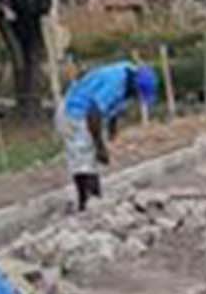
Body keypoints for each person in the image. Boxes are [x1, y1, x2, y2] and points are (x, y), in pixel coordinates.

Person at [57, 59, 160, 211]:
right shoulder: (115, 84)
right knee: (84, 161)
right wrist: (100, 147)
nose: (135, 98)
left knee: (89, 160)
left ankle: (92, 201)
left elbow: (113, 105)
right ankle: (88, 205)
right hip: (75, 114)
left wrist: (112, 130)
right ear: (134, 85)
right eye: (137, 94)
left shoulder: (129, 73)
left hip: (87, 114)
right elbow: (94, 113)